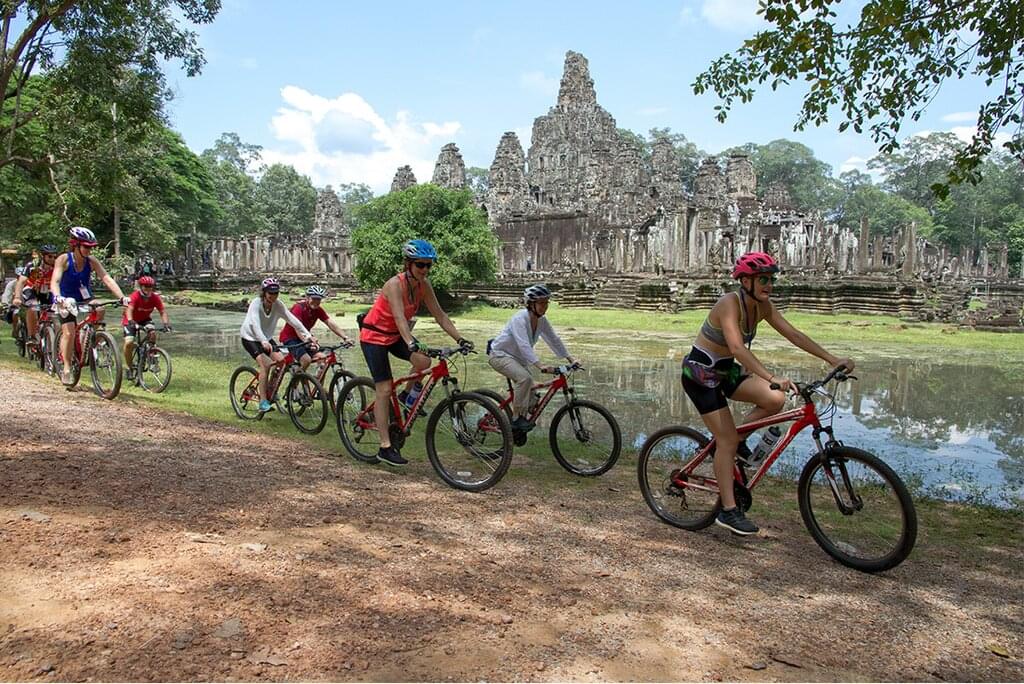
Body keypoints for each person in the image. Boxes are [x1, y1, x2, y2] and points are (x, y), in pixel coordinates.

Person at [680, 251, 854, 536]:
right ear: (745, 281)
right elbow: (737, 348)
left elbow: (794, 335)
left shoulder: (763, 307)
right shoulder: (729, 304)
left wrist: (832, 359)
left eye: (772, 279)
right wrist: (771, 377)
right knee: (726, 440)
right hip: (701, 375)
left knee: (774, 399)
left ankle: (735, 442)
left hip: (727, 371)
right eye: (763, 279)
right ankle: (728, 510)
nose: (769, 285)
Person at [358, 239, 472, 467]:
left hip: (395, 336)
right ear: (408, 263)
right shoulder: (394, 284)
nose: (425, 269)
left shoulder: (423, 285)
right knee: (384, 388)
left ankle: (404, 398)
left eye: (429, 265)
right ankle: (385, 447)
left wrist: (460, 339)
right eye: (420, 264)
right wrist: (410, 342)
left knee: (424, 361)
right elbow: (400, 318)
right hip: (374, 337)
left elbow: (440, 315)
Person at [487, 284, 576, 435]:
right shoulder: (519, 319)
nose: (544, 306)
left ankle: (519, 426)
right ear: (530, 304)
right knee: (525, 379)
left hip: (518, 360)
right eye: (541, 303)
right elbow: (523, 345)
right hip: (500, 355)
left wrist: (570, 359)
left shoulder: (541, 321)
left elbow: (554, 339)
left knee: (532, 391)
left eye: (546, 303)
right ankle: (517, 419)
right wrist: (540, 365)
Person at [49, 227, 130, 385]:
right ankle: (66, 368)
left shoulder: (91, 261)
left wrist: (122, 297)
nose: (89, 250)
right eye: (86, 247)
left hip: (84, 298)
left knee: (100, 308)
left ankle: (89, 335)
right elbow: (55, 281)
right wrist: (58, 297)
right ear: (76, 245)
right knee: (69, 333)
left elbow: (106, 278)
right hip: (65, 299)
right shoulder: (64, 259)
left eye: (91, 247)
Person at [239, 277, 316, 413]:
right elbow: (255, 324)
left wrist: (307, 335)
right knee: (266, 364)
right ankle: (263, 402)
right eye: (270, 293)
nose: (273, 296)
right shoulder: (256, 304)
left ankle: (270, 388)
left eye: (276, 293)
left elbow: (292, 320)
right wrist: (263, 340)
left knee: (281, 362)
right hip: (250, 337)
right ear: (264, 292)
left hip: (266, 338)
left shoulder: (278, 305)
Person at [279, 285, 354, 371]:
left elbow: (329, 323)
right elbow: (297, 328)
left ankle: (316, 379)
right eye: (314, 298)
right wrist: (307, 341)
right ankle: (298, 378)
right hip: (290, 338)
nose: (316, 302)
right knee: (306, 360)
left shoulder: (318, 310)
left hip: (306, 338)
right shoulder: (299, 308)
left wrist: (345, 337)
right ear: (307, 297)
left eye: (318, 299)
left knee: (322, 357)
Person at [122, 275, 171, 379]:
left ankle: (152, 358)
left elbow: (162, 311)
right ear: (141, 286)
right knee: (129, 343)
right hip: (130, 320)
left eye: (150, 286)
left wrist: (166, 324)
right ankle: (129, 367)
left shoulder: (155, 297)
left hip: (145, 319)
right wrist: (130, 321)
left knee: (152, 333)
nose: (148, 289)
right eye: (146, 286)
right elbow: (129, 310)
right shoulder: (135, 296)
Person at [13, 244, 58, 346]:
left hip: (47, 291)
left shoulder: (57, 266)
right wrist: (17, 297)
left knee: (53, 312)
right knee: (33, 307)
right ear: (43, 256)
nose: (53, 259)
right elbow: (21, 282)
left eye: (55, 256)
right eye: (50, 256)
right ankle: (32, 337)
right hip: (32, 289)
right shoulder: (32, 265)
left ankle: (52, 342)